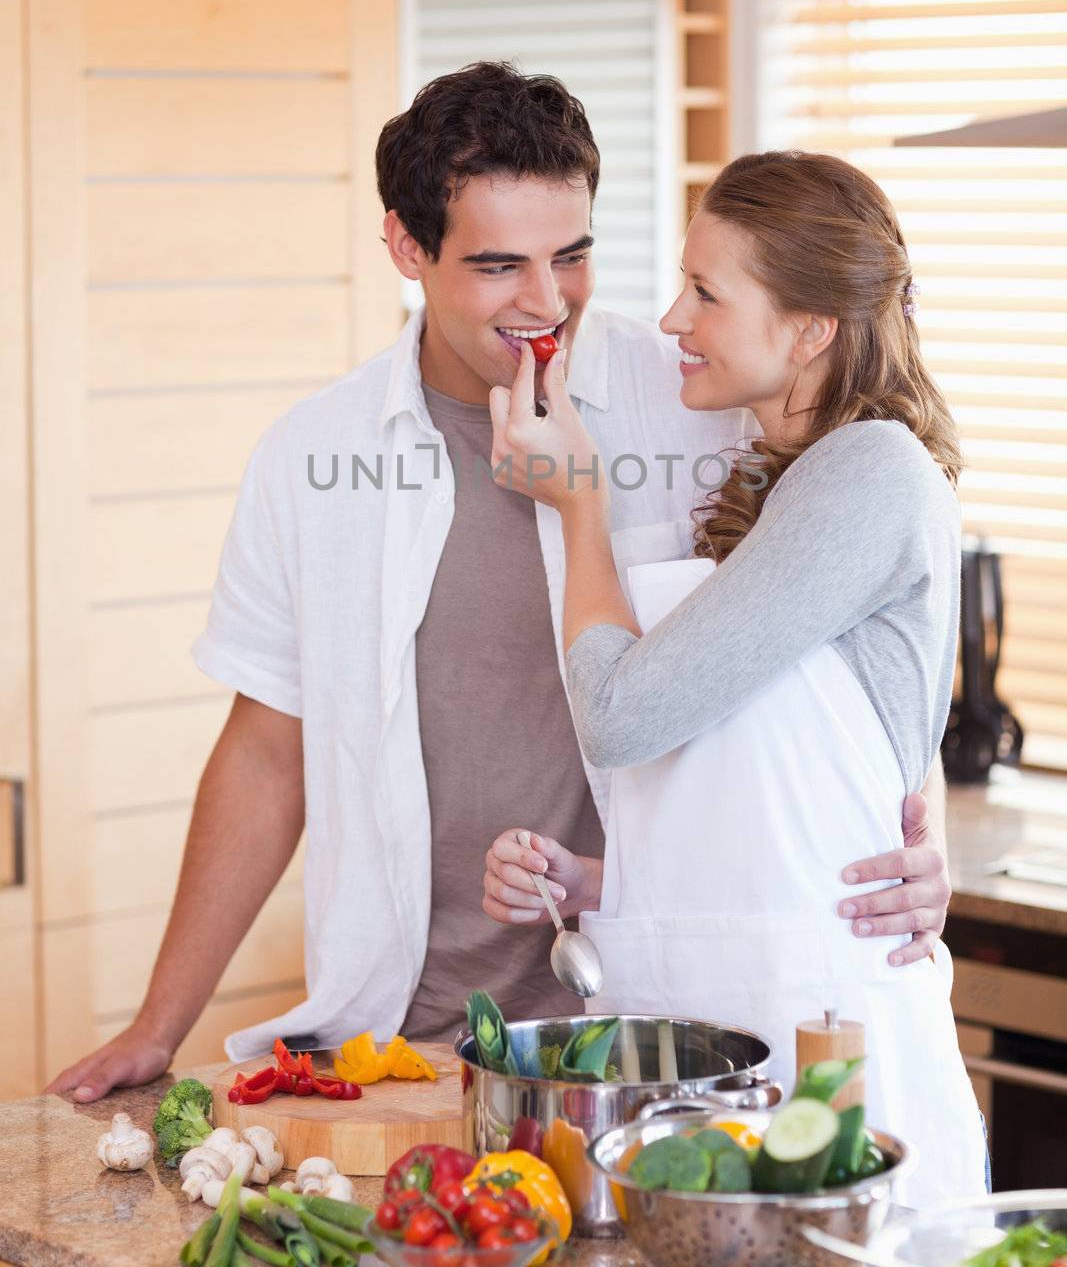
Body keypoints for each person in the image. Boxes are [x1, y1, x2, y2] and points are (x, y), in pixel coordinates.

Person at [48, 68, 951, 1103]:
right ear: (405, 247)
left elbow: (860, 640)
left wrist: (925, 855)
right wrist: (157, 1027)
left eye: (570, 256)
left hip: (660, 1030)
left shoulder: (701, 395)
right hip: (410, 1039)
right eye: (496, 265)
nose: (544, 301)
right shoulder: (313, 456)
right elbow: (265, 753)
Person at [483, 149, 987, 1206]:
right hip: (722, 1046)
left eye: (706, 293)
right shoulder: (782, 479)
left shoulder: (868, 473)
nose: (672, 319)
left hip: (826, 1065)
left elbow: (620, 715)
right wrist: (598, 879)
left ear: (809, 329)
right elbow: (765, 813)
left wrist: (577, 505)